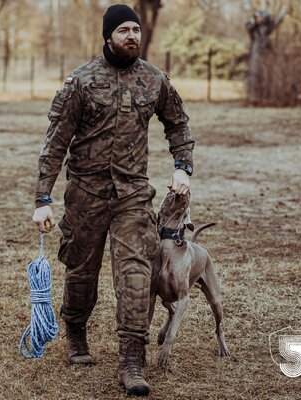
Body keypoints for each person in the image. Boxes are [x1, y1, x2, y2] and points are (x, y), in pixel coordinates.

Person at [31, 4, 194, 396]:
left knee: (137, 275)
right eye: (123, 30)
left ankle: (131, 361)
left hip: (133, 196)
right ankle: (76, 334)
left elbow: (178, 123)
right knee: (81, 272)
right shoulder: (81, 82)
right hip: (85, 194)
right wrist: (43, 197)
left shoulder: (154, 80)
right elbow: (56, 143)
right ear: (108, 36)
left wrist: (182, 167)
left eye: (136, 30)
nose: (132, 36)